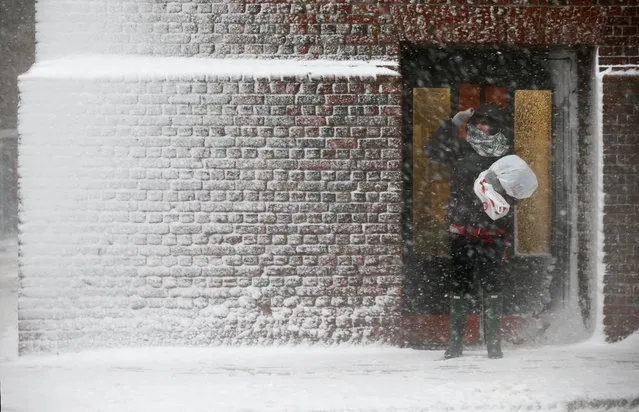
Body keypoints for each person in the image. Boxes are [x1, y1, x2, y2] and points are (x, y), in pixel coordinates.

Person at [423, 103, 517, 359]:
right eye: (479, 123)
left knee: (493, 285)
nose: (483, 127)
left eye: (489, 124)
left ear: (497, 127)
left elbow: (518, 192)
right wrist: (453, 124)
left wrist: (498, 198)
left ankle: (494, 345)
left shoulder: (506, 157)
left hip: (493, 232)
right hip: (462, 231)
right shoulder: (461, 150)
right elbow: (430, 150)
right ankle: (455, 344)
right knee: (460, 285)